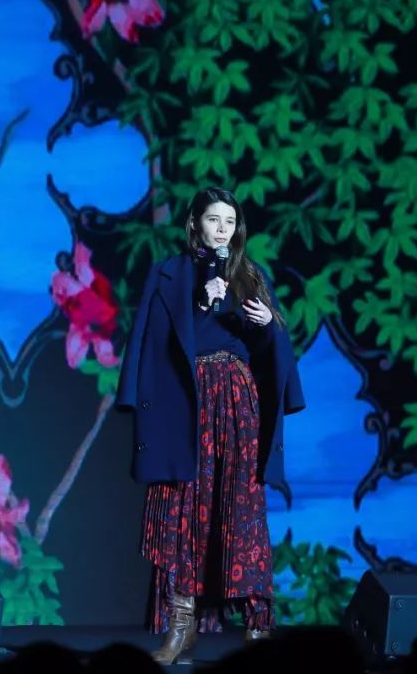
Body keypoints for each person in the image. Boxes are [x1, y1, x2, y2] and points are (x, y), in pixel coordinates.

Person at [116, 186, 305, 665]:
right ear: (194, 223)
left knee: (240, 508)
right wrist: (201, 303)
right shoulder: (169, 274)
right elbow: (149, 342)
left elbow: (273, 356)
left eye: (229, 221)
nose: (221, 229)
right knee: (182, 510)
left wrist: (267, 326)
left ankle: (257, 628)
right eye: (213, 219)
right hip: (186, 402)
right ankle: (181, 626)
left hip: (236, 401)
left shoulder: (250, 276)